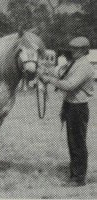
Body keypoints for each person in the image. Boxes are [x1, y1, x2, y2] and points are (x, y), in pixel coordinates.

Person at [38, 36, 95, 187]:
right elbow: (59, 73)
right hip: (71, 106)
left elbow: (69, 85)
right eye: (72, 48)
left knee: (77, 142)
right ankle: (75, 173)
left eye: (75, 49)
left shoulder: (84, 66)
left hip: (78, 108)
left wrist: (49, 80)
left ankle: (78, 178)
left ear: (83, 51)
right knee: (73, 141)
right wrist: (44, 71)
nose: (72, 51)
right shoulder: (75, 63)